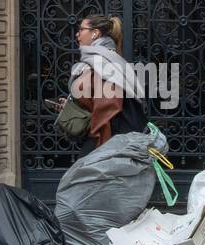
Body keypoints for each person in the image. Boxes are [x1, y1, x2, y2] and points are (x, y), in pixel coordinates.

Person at [60, 13, 148, 149]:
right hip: (108, 138)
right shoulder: (102, 59)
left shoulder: (102, 62)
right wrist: (73, 106)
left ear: (95, 33)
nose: (77, 34)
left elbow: (108, 107)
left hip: (106, 139)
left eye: (81, 29)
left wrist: (98, 146)